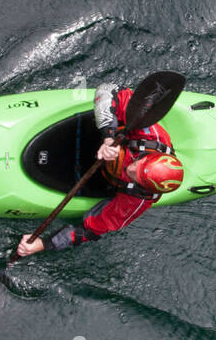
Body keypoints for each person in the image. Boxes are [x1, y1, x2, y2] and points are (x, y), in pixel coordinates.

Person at [14, 83, 183, 256]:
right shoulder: (151, 136)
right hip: (95, 135)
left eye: (136, 177)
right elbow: (109, 89)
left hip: (96, 177)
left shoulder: (137, 200)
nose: (131, 170)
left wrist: (44, 244)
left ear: (144, 186)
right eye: (138, 165)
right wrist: (109, 137)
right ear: (148, 156)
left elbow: (91, 230)